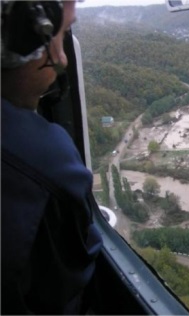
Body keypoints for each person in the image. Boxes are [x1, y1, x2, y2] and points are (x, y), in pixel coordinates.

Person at [1, 1, 103, 314]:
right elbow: (66, 285)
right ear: (23, 39)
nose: (61, 59)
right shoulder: (45, 162)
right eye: (61, 35)